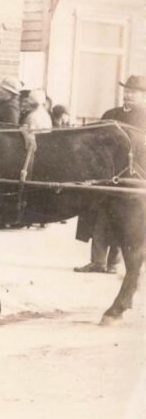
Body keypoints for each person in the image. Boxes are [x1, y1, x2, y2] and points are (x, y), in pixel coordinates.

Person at [74, 74, 146, 274]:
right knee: (99, 216)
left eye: (134, 92)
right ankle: (97, 261)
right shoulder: (111, 113)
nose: (129, 95)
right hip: (105, 172)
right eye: (127, 91)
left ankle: (114, 262)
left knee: (123, 218)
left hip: (132, 176)